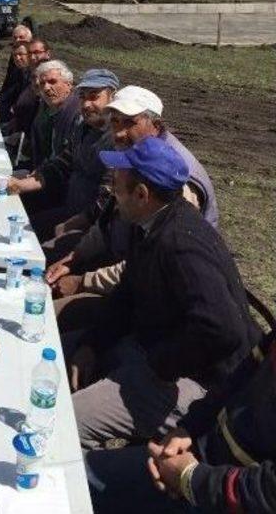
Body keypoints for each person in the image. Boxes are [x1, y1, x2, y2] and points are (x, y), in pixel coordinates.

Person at [68, 137, 259, 451]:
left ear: (141, 194)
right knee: (66, 351)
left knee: (69, 421)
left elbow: (223, 329)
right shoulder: (151, 224)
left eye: (116, 186)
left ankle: (101, 485)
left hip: (199, 381)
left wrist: (156, 366)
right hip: (153, 347)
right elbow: (127, 292)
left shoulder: (180, 244)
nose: (112, 194)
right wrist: (92, 343)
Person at [46, 85, 220, 318]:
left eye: (130, 123)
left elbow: (151, 260)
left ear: (156, 126)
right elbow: (109, 218)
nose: (118, 133)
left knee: (51, 314)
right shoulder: (133, 155)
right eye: (116, 122)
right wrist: (75, 257)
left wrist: (83, 280)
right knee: (46, 257)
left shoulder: (175, 178)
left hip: (153, 294)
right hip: (119, 258)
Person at [85, 328, 276, 513]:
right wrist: (189, 428)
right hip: (198, 460)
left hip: (224, 494)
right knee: (72, 478)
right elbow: (237, 379)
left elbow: (267, 495)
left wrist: (190, 478)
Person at [8, 69, 118, 239]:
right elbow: (63, 164)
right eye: (82, 97)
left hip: (93, 227)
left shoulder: (117, 140)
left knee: (28, 236)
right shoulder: (83, 127)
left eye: (94, 96)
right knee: (15, 219)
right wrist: (22, 185)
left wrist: (71, 225)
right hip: (68, 208)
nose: (86, 104)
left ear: (112, 97)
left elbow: (108, 199)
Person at [29, 60, 79, 167]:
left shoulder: (76, 113)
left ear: (68, 84)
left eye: (52, 82)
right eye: (42, 84)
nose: (46, 88)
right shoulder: (46, 107)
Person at [8, 37, 52, 134]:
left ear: (48, 54)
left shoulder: (51, 80)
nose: (32, 57)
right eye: (30, 53)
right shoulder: (27, 74)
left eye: (36, 52)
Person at [0, 40, 32, 126]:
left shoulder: (33, 76)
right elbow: (11, 90)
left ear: (30, 55)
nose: (17, 58)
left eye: (21, 54)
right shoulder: (19, 71)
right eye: (15, 55)